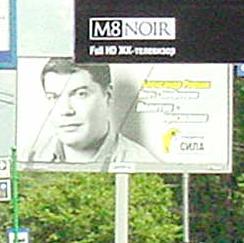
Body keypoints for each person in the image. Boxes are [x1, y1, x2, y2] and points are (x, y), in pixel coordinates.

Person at [25, 59, 160, 170]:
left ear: (108, 95)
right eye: (53, 97)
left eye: (80, 94)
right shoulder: (27, 157)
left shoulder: (146, 164)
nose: (65, 110)